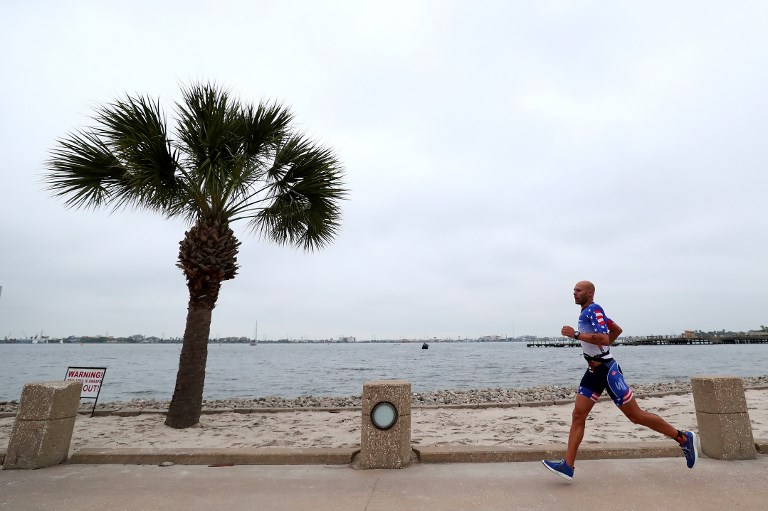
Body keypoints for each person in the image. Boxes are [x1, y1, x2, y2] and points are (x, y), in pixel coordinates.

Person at [542, 280, 698, 481]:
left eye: (578, 290)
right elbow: (616, 330)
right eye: (573, 290)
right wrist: (599, 348)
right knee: (578, 415)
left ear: (590, 292)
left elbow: (605, 337)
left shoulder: (594, 310)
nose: (574, 293)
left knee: (636, 416)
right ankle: (568, 466)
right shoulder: (588, 311)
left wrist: (577, 335)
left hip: (608, 372)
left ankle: (683, 438)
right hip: (592, 372)